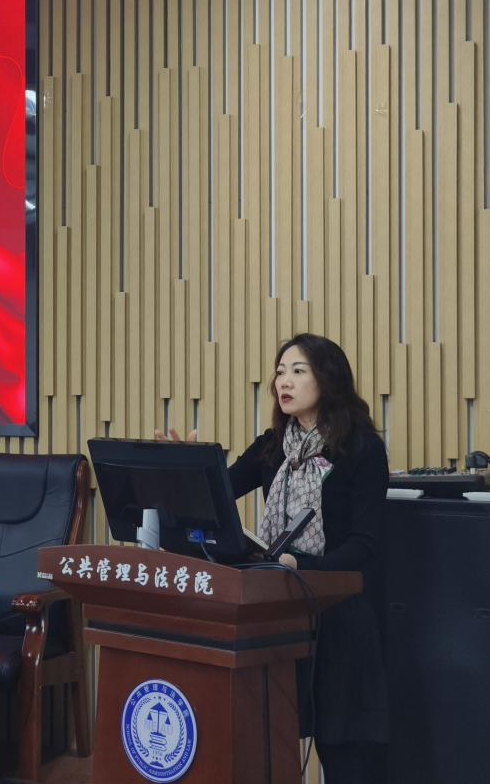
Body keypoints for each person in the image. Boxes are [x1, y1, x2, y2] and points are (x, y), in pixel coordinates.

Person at [158, 333, 389, 784]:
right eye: (281, 371)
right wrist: (186, 465)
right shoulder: (272, 446)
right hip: (278, 614)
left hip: (339, 617)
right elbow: (217, 495)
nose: (284, 381)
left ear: (328, 378)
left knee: (344, 751)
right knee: (271, 738)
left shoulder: (361, 448)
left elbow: (364, 546)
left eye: (298, 371)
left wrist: (304, 567)